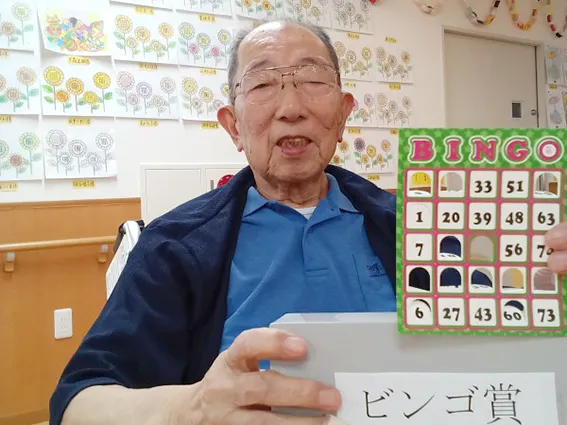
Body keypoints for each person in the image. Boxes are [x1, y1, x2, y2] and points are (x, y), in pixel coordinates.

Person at [49, 20, 567, 425]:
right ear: (233, 126)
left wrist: (548, 277)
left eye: (312, 80)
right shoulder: (176, 245)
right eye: (262, 84)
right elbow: (77, 403)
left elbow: (510, 336)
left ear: (342, 115)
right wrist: (192, 408)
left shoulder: (418, 224)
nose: (291, 107)